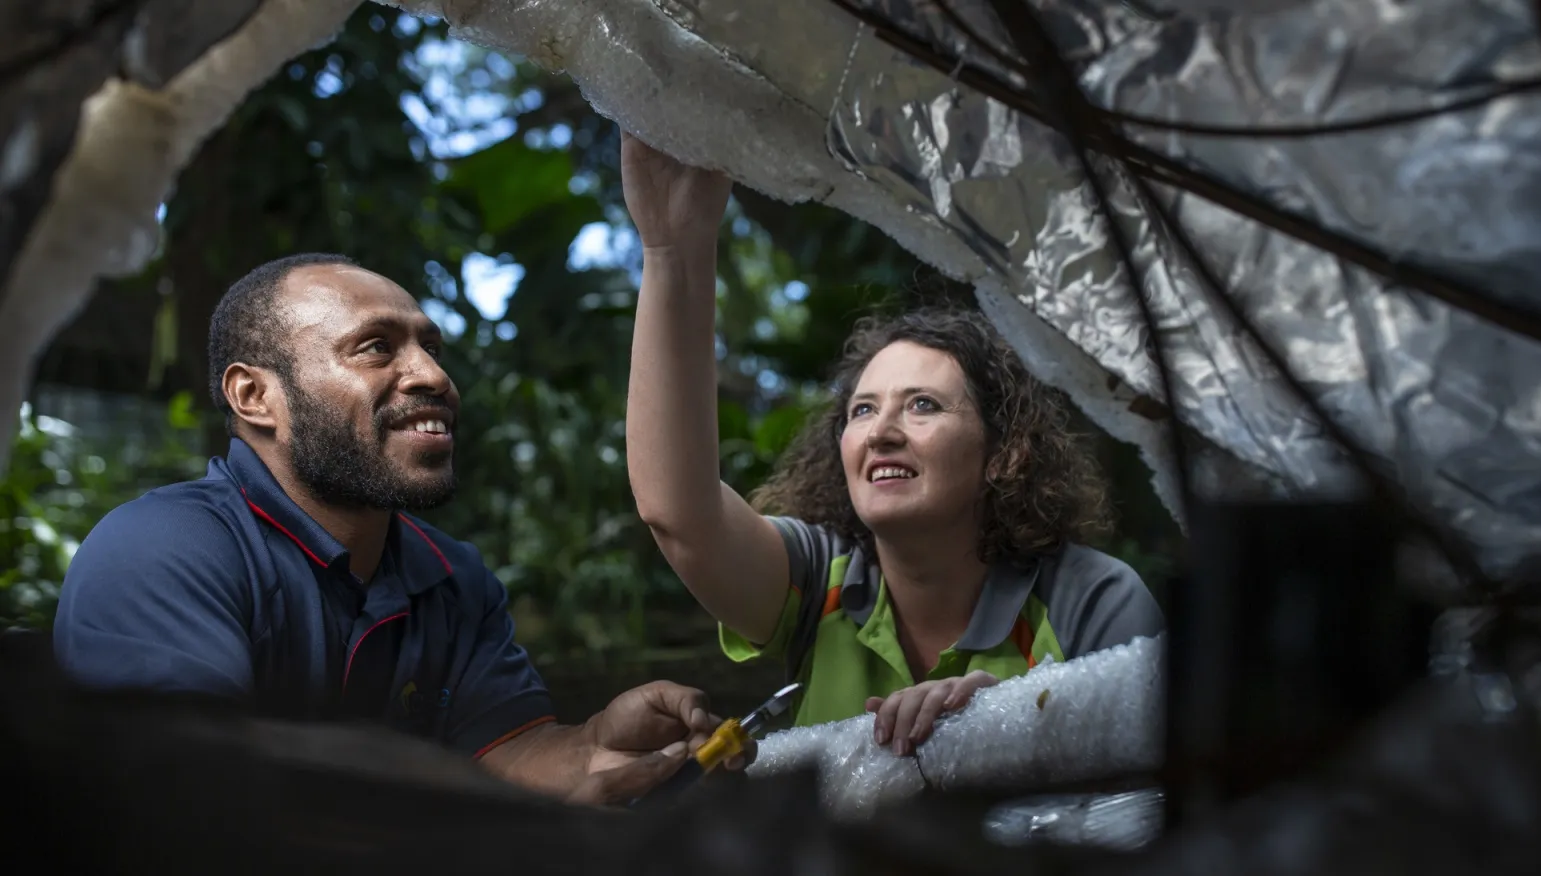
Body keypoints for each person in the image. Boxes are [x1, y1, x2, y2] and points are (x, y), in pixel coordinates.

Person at [52, 253, 743, 806]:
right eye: (376, 349)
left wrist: (594, 747)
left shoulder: (451, 576)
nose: (434, 376)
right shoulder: (161, 552)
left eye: (432, 348)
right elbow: (198, 809)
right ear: (255, 396)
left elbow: (503, 754)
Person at [621, 133, 1165, 757]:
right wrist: (671, 245)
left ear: (1005, 452)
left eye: (923, 406)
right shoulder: (814, 584)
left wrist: (1005, 724)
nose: (881, 431)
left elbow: (1157, 802)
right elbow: (679, 514)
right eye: (862, 410)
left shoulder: (1092, 601)